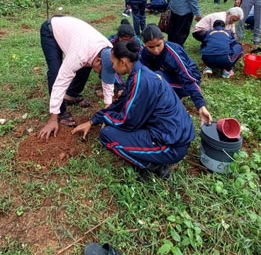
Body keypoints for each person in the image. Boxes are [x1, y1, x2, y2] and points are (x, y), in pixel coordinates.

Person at [71, 40, 197, 180]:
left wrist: (106, 119)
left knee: (107, 135)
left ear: (123, 62)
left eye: (113, 63)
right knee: (117, 123)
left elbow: (127, 121)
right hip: (176, 134)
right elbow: (120, 103)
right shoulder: (140, 73)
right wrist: (93, 120)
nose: (112, 66)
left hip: (171, 146)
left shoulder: (140, 81)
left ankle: (155, 167)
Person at [38, 16, 117, 139]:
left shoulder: (108, 50)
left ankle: (71, 95)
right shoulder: (80, 54)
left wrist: (107, 111)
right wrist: (53, 118)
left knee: (87, 65)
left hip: (77, 36)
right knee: (56, 72)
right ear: (98, 61)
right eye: (102, 72)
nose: (101, 75)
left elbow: (108, 84)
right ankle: (60, 113)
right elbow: (61, 82)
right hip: (51, 30)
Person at [141, 24, 213, 123]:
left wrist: (200, 106)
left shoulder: (173, 53)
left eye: (158, 45)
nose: (156, 50)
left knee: (156, 80)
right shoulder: (145, 53)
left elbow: (188, 79)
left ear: (163, 39)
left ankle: (176, 96)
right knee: (149, 78)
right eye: (151, 47)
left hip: (188, 79)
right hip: (166, 74)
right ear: (144, 44)